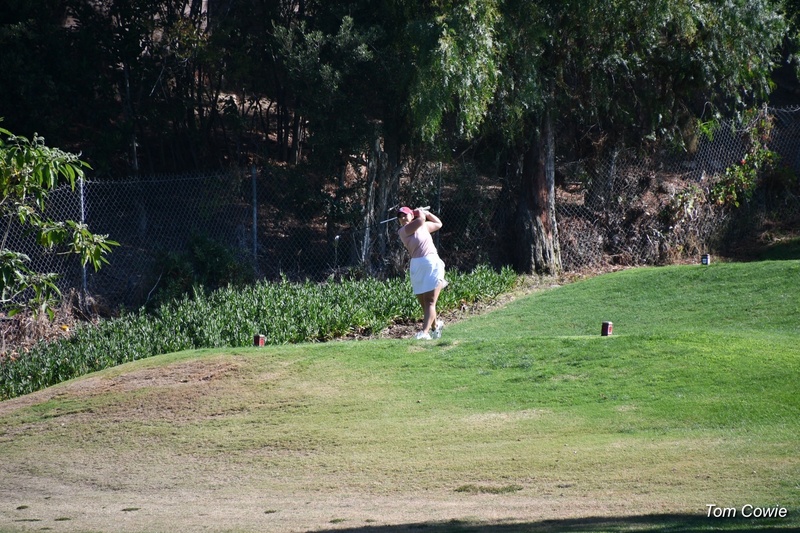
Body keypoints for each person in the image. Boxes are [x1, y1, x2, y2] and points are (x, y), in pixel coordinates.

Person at [396, 206, 448, 340]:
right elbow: (420, 220)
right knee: (424, 304)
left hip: (431, 263)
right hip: (417, 266)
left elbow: (438, 223)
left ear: (411, 215)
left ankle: (425, 333)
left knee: (430, 302)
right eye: (400, 217)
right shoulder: (403, 230)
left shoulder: (423, 226)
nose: (402, 218)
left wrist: (427, 212)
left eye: (405, 215)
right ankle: (436, 326)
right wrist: (419, 213)